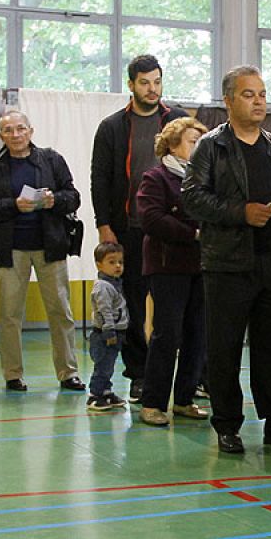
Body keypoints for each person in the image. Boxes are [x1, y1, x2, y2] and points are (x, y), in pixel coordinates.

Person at [182, 66, 271, 454]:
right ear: (228, 100)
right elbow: (192, 198)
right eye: (248, 94)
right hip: (227, 264)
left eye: (261, 93)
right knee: (224, 349)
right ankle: (226, 424)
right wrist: (240, 212)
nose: (258, 101)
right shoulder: (211, 146)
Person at [91, 54, 189, 401]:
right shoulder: (112, 127)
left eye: (157, 82)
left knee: (178, 306)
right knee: (130, 304)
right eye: (145, 82)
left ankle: (188, 379)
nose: (152, 89)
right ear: (131, 84)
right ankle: (139, 374)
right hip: (128, 229)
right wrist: (104, 224)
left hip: (172, 229)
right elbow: (99, 179)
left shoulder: (178, 120)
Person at [0, 109, 85, 393]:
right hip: (12, 249)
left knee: (60, 311)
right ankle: (12, 374)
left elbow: (73, 197)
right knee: (10, 314)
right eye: (9, 131)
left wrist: (53, 201)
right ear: (1, 136)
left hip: (51, 246)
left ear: (30, 130)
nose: (16, 135)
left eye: (20, 128)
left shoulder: (51, 159)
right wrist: (14, 205)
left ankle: (68, 372)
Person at [135, 117, 210, 427]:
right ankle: (152, 402)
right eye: (194, 142)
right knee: (167, 335)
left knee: (197, 334)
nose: (200, 148)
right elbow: (151, 219)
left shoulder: (206, 179)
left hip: (202, 266)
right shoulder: (156, 178)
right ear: (173, 144)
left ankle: (184, 399)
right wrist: (193, 234)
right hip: (167, 267)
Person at [86, 242, 130, 414]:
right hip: (105, 335)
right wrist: (109, 331)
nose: (118, 266)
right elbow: (104, 311)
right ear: (99, 264)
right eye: (112, 262)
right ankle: (95, 394)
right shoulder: (103, 287)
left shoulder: (115, 283)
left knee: (109, 365)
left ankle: (106, 391)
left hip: (116, 332)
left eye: (120, 262)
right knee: (102, 365)